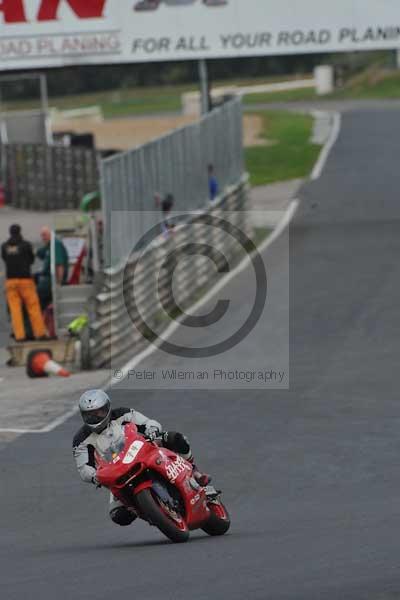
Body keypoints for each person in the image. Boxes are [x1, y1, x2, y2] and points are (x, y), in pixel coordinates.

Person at [72, 389, 210, 526]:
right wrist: (94, 476)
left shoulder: (122, 414)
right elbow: (83, 468)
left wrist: (152, 430)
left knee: (175, 438)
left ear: (107, 408)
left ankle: (195, 471)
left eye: (99, 412)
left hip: (143, 451)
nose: (95, 418)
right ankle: (149, 512)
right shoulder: (81, 440)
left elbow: (147, 422)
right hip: (116, 473)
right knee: (119, 516)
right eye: (89, 415)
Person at [1, 224, 47, 342]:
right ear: (20, 232)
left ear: (10, 233)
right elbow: (31, 260)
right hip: (25, 280)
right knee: (33, 307)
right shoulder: (26, 245)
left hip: (11, 281)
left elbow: (5, 259)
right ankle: (40, 333)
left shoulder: (4, 246)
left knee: (15, 310)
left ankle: (20, 336)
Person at [36, 227, 69, 310]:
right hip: (47, 277)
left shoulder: (56, 245)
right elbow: (39, 253)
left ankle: (39, 316)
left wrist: (59, 283)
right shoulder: (49, 246)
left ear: (51, 235)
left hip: (52, 279)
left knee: (35, 294)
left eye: (45, 235)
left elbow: (59, 265)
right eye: (42, 236)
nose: (43, 238)